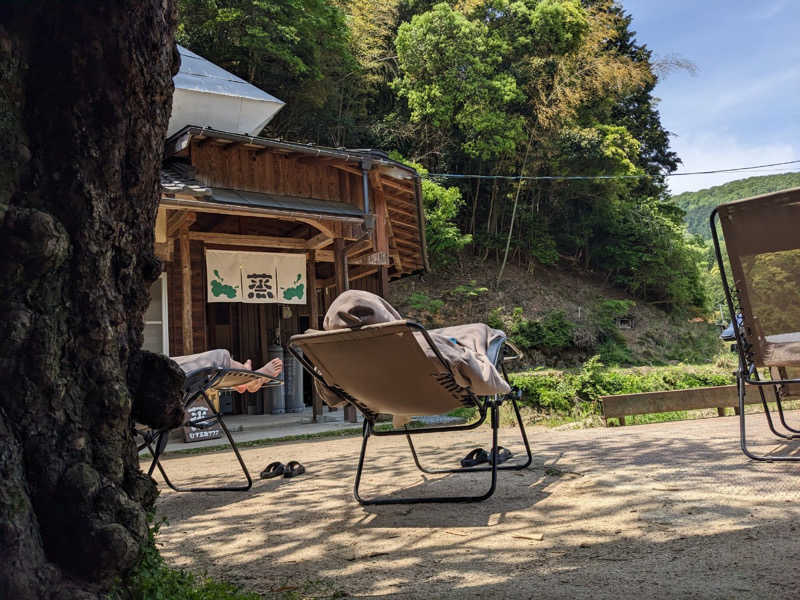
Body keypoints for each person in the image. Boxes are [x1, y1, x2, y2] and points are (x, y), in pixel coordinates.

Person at [171, 349, 282, 393]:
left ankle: (245, 377)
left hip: (161, 381)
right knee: (219, 356)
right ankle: (250, 378)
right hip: (164, 379)